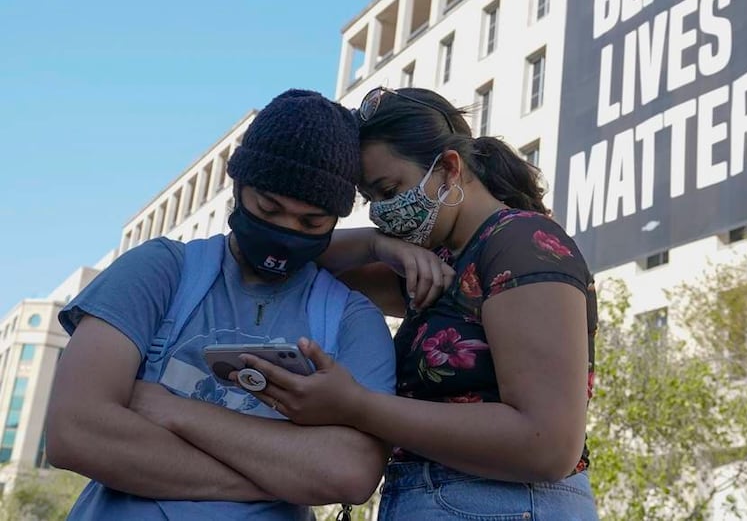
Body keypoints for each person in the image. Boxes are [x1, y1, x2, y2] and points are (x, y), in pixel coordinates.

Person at [45, 89, 448, 520]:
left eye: (311, 222)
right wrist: (281, 475)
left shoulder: (351, 318)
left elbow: (349, 472)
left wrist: (173, 411)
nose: (285, 231)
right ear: (237, 186)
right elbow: (75, 432)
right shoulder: (160, 271)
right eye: (268, 207)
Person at [236, 86, 600, 520]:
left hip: (504, 504)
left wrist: (356, 406)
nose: (381, 212)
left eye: (389, 190)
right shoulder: (439, 262)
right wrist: (377, 245)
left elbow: (548, 443)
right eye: (370, 201)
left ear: (449, 168)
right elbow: (297, 256)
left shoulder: (519, 243)